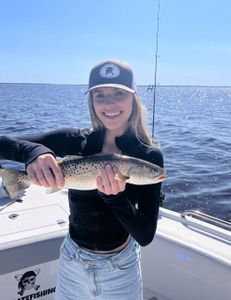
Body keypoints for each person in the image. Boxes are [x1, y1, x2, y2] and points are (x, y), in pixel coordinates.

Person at [0, 59, 164, 300]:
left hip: (121, 269)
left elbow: (145, 235)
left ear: (134, 99)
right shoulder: (73, 140)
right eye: (100, 95)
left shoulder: (148, 157)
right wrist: (34, 153)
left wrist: (116, 198)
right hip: (71, 262)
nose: (109, 103)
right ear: (91, 101)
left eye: (119, 93)